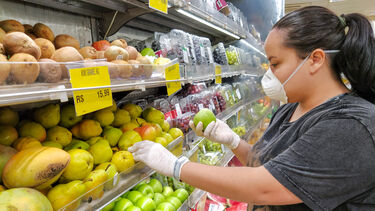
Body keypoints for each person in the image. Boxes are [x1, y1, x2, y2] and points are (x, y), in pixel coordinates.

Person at [129, 6, 375, 210]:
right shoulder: (289, 109)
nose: (268, 74)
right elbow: (267, 165)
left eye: (275, 63)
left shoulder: (352, 126)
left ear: (315, 59)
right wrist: (234, 142)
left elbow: (267, 186)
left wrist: (176, 166)